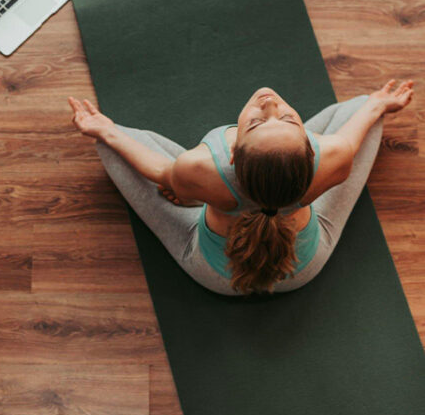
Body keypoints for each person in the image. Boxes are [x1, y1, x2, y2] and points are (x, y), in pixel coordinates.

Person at [68, 80, 415, 296]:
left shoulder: (203, 167)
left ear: (232, 153)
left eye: (262, 122)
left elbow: (159, 170)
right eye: (272, 119)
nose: (270, 103)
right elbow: (350, 141)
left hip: (220, 276)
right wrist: (377, 105)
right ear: (312, 150)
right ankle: (193, 192)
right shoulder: (334, 158)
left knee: (111, 144)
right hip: (302, 269)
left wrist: (105, 130)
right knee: (362, 108)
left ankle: (188, 197)